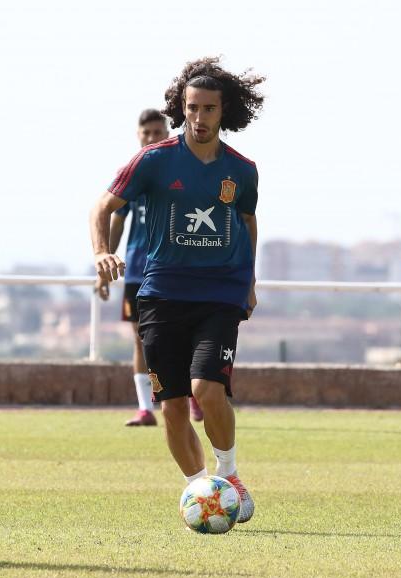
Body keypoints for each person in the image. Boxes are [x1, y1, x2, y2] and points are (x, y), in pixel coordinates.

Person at [89, 57, 263, 523]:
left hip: (219, 296)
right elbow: (102, 206)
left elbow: (247, 223)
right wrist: (103, 252)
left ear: (224, 111)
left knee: (207, 389)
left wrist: (249, 281)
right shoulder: (155, 160)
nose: (199, 118)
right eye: (191, 108)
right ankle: (200, 492)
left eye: (208, 109)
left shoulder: (242, 171)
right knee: (171, 410)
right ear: (180, 108)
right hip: (161, 295)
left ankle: (229, 475)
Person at [96, 108, 207, 427]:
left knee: (183, 333)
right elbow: (116, 216)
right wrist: (105, 257)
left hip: (173, 266)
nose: (151, 138)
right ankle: (145, 408)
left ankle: (191, 395)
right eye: (146, 133)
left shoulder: (180, 170)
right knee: (138, 337)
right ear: (138, 135)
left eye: (157, 132)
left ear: (167, 133)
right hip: (137, 269)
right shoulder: (133, 172)